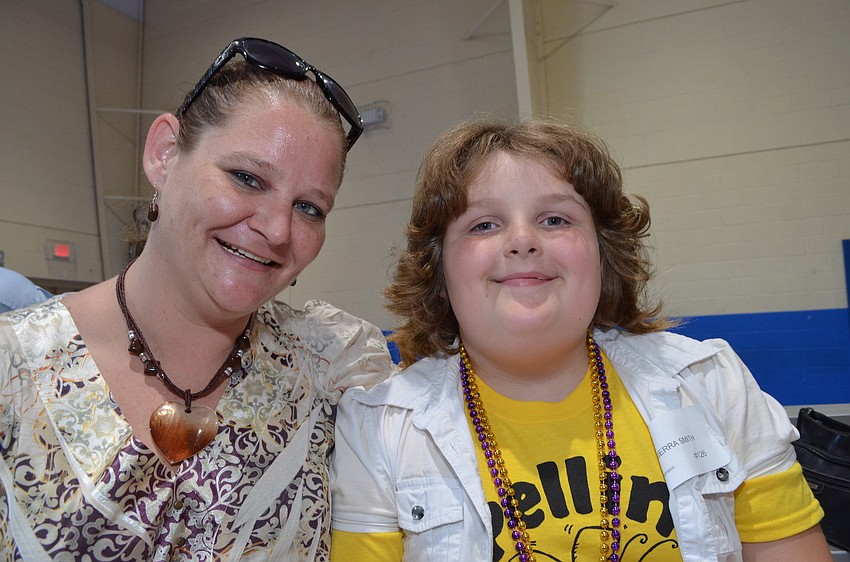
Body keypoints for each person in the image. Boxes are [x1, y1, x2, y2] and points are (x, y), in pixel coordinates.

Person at [329, 118, 832, 561]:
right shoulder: (380, 429)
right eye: (484, 223)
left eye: (555, 219)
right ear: (439, 268)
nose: (523, 240)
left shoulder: (710, 385)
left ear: (602, 251)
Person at [0, 37, 393, 561]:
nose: (277, 229)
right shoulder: (15, 372)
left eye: (309, 208)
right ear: (164, 155)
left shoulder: (333, 371)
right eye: (246, 178)